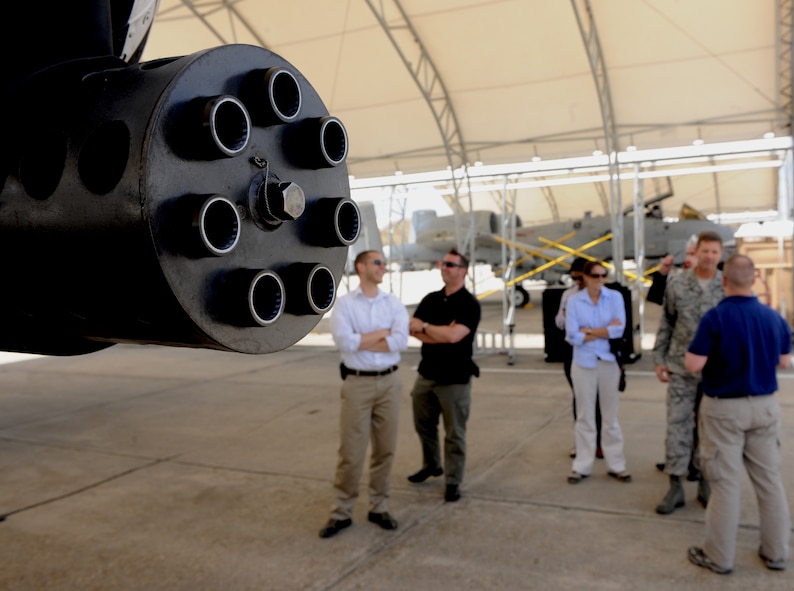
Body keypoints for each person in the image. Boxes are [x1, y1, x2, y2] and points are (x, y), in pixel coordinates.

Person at [684, 254, 791, 575]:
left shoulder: (715, 318)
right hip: (764, 405)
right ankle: (776, 553)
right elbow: (784, 361)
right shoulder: (773, 317)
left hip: (724, 409)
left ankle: (719, 557)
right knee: (769, 481)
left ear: (724, 281)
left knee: (725, 485)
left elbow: (693, 364)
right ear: (755, 279)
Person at [319, 250, 409, 539]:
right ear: (361, 267)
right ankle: (341, 511)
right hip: (357, 384)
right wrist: (381, 334)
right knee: (351, 452)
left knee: (385, 449)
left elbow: (400, 342)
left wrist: (363, 341)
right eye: (377, 262)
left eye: (384, 263)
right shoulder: (345, 305)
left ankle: (379, 507)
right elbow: (345, 342)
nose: (383, 267)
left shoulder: (393, 304)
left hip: (390, 383)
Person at [653, 231, 724, 514]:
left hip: (716, 372)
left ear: (721, 255)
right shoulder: (677, 283)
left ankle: (706, 482)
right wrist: (659, 357)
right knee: (677, 426)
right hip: (680, 368)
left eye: (714, 252)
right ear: (696, 252)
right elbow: (667, 322)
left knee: (710, 430)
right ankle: (675, 486)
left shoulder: (727, 285)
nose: (709, 256)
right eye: (704, 251)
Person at [407, 248, 481, 503]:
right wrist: (440, 333)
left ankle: (452, 480)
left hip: (455, 378)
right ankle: (431, 465)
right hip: (426, 374)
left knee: (454, 433)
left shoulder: (469, 304)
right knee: (423, 425)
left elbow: (454, 336)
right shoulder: (431, 299)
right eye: (443, 263)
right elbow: (413, 329)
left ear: (463, 271)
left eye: (450, 264)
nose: (444, 268)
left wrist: (428, 327)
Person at [564, 261, 630, 484]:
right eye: (595, 276)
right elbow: (572, 336)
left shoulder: (615, 297)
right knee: (585, 416)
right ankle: (582, 465)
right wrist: (604, 331)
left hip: (609, 362)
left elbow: (619, 329)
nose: (600, 280)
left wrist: (590, 331)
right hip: (583, 363)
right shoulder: (574, 301)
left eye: (603, 275)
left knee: (610, 417)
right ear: (585, 277)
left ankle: (616, 464)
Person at [555, 257, 602, 459]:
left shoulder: (603, 295)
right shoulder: (569, 295)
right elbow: (559, 322)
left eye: (580, 278)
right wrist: (567, 315)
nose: (578, 283)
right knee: (580, 397)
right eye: (574, 278)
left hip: (597, 351)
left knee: (599, 398)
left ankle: (599, 442)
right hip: (574, 351)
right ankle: (582, 442)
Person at [647, 234, 698, 306]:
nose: (688, 258)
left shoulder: (713, 282)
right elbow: (655, 298)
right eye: (687, 254)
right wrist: (662, 274)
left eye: (692, 254)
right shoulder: (679, 280)